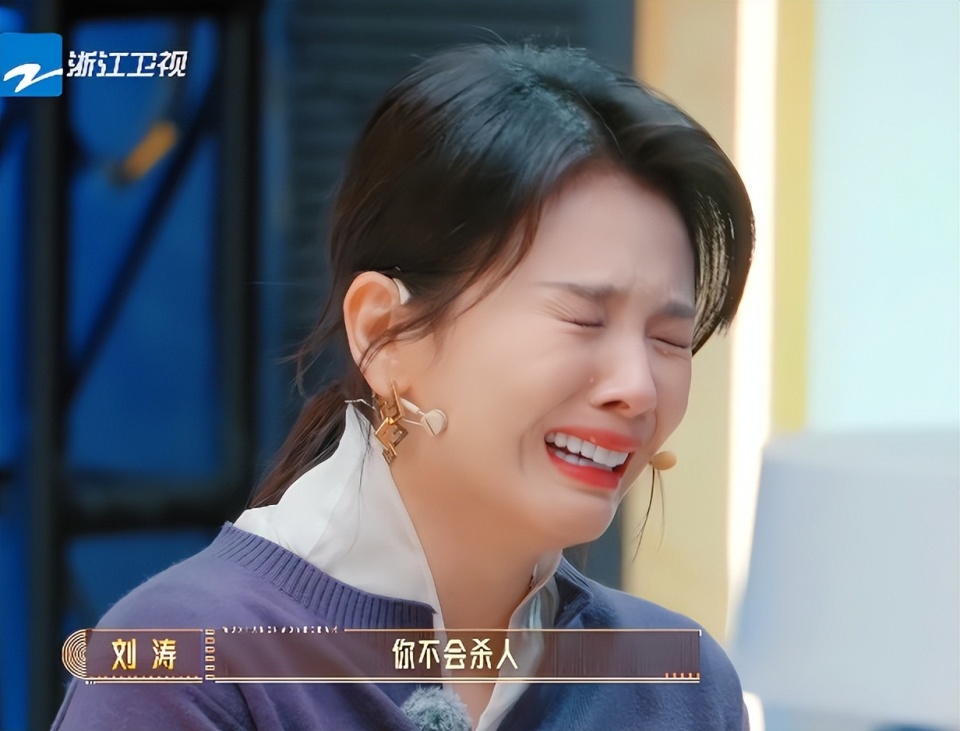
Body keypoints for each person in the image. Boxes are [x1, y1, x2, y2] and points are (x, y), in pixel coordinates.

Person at [54, 43, 753, 730]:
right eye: (582, 318)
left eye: (668, 339)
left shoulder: (677, 683)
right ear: (386, 333)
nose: (637, 387)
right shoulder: (181, 667)